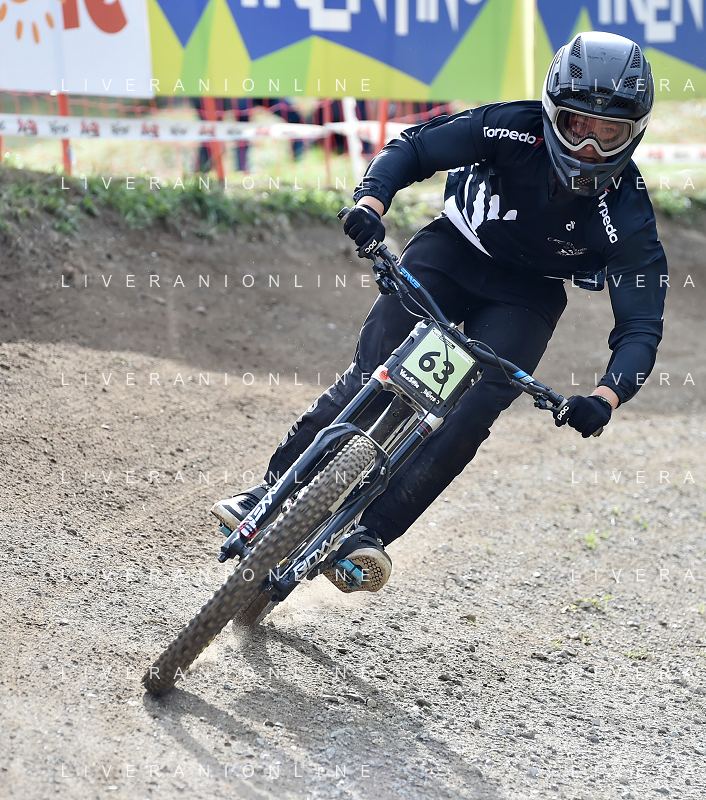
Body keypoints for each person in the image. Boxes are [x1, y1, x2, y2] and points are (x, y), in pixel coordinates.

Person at [211, 31, 669, 594]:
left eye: (609, 132)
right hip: (453, 253)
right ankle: (270, 492)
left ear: (634, 131)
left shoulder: (629, 215)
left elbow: (641, 326)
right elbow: (416, 148)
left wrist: (605, 397)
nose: (589, 147)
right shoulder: (511, 125)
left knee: (470, 415)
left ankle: (369, 535)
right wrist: (371, 202)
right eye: (578, 125)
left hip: (528, 296)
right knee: (373, 374)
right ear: (553, 112)